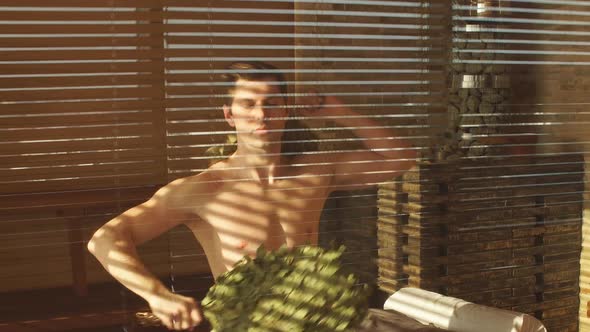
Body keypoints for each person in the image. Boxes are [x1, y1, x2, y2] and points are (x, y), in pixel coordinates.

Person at [87, 61, 416, 331]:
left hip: (319, 317)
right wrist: (156, 295)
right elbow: (106, 239)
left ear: (285, 110)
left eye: (271, 104)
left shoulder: (314, 171)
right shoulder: (205, 189)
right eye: (249, 104)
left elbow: (399, 159)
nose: (261, 115)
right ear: (229, 114)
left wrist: (338, 112)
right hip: (246, 322)